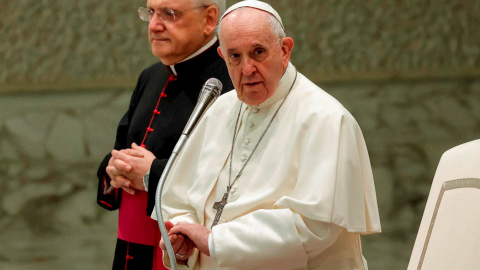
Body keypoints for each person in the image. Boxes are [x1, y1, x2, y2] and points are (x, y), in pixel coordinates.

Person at [155, 1, 381, 269]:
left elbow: (315, 225)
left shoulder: (327, 119)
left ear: (284, 50)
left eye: (258, 52)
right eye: (235, 56)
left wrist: (216, 241)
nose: (247, 69)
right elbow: (178, 200)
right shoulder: (218, 111)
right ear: (222, 56)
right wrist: (184, 235)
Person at [96, 0, 233, 269]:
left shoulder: (230, 81)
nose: (155, 26)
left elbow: (230, 178)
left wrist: (152, 174)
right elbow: (121, 147)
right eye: (150, 13)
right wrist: (115, 169)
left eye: (170, 14)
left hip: (186, 254)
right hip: (131, 250)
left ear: (209, 19)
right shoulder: (150, 76)